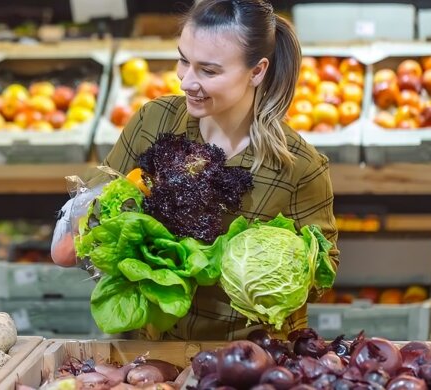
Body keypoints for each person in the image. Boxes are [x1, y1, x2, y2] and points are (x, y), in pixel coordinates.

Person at [51, 0, 339, 341]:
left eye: (208, 70)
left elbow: (323, 271)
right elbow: (80, 229)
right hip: (152, 350)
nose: (187, 81)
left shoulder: (299, 167)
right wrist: (102, 221)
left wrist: (257, 271)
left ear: (257, 71)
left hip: (249, 356)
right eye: (183, 60)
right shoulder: (152, 121)